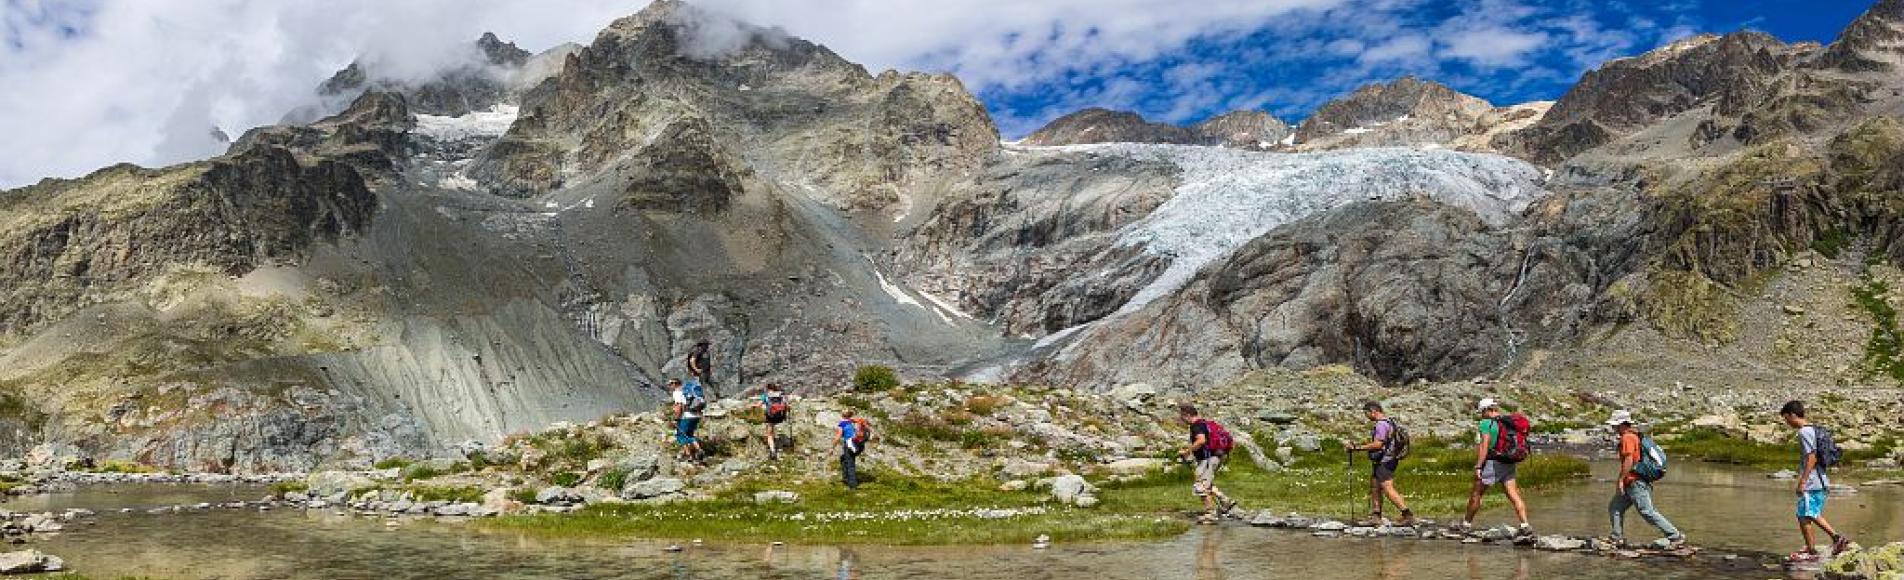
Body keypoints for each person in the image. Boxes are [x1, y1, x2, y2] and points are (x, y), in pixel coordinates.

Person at [1781, 400, 1852, 562]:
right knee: (1806, 514)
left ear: (1792, 415)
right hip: (1819, 479)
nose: (1787, 423)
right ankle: (1813, 548)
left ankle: (1830, 542)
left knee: (1806, 514)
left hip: (1813, 482)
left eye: (1786, 419)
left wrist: (1802, 481)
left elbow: (1811, 457)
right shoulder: (1813, 429)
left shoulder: (1804, 432)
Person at [1606, 410, 1684, 548]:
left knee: (1647, 511)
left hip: (1635, 482)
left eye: (1615, 425)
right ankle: (1616, 537)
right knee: (1615, 507)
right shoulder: (1634, 436)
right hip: (1632, 481)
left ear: (1622, 424)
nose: (1613, 428)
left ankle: (1674, 536)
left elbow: (1629, 460)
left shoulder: (1627, 438)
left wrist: (1620, 480)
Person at [1457, 397, 1531, 536]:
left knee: (1476, 493)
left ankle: (1466, 524)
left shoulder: (1486, 423)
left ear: (1486, 410)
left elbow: (1485, 445)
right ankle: (1525, 525)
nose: (1480, 415)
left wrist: (1479, 466)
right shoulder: (1507, 422)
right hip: (1509, 462)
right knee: (1513, 494)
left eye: (1481, 411)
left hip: (1492, 462)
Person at [1350, 401, 1415, 526]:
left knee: (1387, 488)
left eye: (1366, 413)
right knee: (1375, 486)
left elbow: (1378, 444)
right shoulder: (1390, 421)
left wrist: (1356, 448)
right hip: (1385, 459)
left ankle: (1407, 514)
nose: (1366, 416)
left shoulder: (1381, 425)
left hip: (1385, 460)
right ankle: (1376, 515)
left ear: (1373, 411)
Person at [1177, 403, 1237, 524]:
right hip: (1215, 457)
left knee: (1201, 485)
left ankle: (1210, 514)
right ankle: (1225, 501)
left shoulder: (1196, 426)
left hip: (1208, 459)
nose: (1182, 420)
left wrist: (1187, 451)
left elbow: (1201, 440)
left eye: (1182, 416)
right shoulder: (1204, 423)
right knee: (1206, 482)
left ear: (1187, 415)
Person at [669, 378, 703, 462]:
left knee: (681, 435)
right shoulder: (687, 391)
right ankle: (698, 450)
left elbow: (679, 406)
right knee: (689, 434)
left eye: (670, 384)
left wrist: (676, 419)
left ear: (675, 384)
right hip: (696, 415)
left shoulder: (677, 393)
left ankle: (689, 455)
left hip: (686, 416)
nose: (669, 386)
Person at [755, 383, 791, 460]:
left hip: (770, 417)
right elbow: (787, 406)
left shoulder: (766, 395)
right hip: (780, 417)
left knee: (769, 434)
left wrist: (752, 407)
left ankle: (773, 451)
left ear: (768, 388)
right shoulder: (781, 395)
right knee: (773, 429)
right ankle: (779, 444)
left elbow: (758, 405)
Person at [836, 408, 863, 490]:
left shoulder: (842, 424)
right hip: (858, 444)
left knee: (850, 464)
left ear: (842, 415)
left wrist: (832, 448)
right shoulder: (851, 421)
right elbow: (857, 420)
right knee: (843, 458)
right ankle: (846, 478)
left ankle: (853, 485)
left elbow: (837, 437)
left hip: (849, 445)